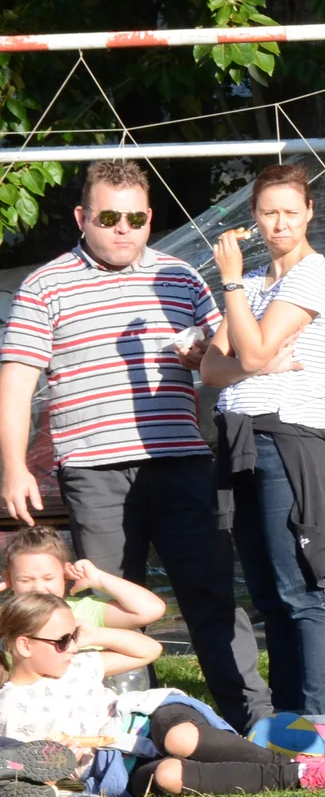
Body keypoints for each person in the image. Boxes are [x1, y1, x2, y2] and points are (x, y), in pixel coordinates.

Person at [0, 159, 266, 726]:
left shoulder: (182, 277)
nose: (123, 228)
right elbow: (17, 381)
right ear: (82, 217)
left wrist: (208, 357)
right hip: (93, 471)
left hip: (181, 462)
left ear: (150, 219)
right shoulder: (44, 285)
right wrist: (14, 466)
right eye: (109, 216)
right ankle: (118, 726)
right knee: (105, 606)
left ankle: (252, 720)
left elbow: (223, 354)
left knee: (211, 592)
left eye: (136, 217)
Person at [203, 164, 325, 727]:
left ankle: (314, 720)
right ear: (255, 217)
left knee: (300, 588)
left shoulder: (312, 276)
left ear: (310, 212)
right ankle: (288, 718)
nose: (280, 222)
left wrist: (234, 289)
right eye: (269, 212)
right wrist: (250, 355)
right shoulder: (262, 280)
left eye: (291, 211)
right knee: (268, 593)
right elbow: (216, 371)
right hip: (240, 437)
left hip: (288, 437)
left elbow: (255, 353)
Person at [0, 591, 325, 795]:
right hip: (115, 763)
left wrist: (95, 636)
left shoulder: (78, 665)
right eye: (63, 640)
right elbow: (39, 774)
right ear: (25, 646)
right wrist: (71, 764)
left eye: (73, 637)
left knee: (180, 738)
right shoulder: (10, 708)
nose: (72, 647)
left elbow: (148, 651)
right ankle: (299, 776)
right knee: (170, 775)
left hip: (145, 720)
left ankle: (297, 762)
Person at [2, 528, 168, 636]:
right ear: (10, 579)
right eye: (25, 580)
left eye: (48, 578)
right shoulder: (7, 616)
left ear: (65, 574)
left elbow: (151, 610)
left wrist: (99, 579)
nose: (38, 588)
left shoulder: (84, 610)